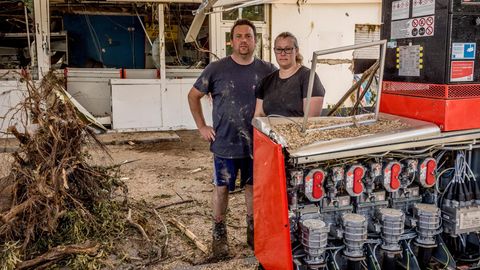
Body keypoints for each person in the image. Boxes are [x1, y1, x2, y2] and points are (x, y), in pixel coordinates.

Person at [187, 19, 276, 258]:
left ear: (255, 40)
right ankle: (219, 234)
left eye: (248, 36)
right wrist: (202, 126)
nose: (243, 40)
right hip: (225, 143)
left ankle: (252, 230)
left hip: (257, 144)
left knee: (252, 188)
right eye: (238, 36)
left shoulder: (268, 70)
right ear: (232, 41)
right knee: (221, 188)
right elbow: (193, 96)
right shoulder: (216, 69)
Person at [254, 32, 325, 117]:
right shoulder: (266, 82)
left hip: (296, 130)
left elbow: (310, 121)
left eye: (288, 49)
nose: (283, 53)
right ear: (274, 51)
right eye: (279, 49)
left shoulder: (309, 78)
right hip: (269, 130)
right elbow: (259, 115)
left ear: (296, 51)